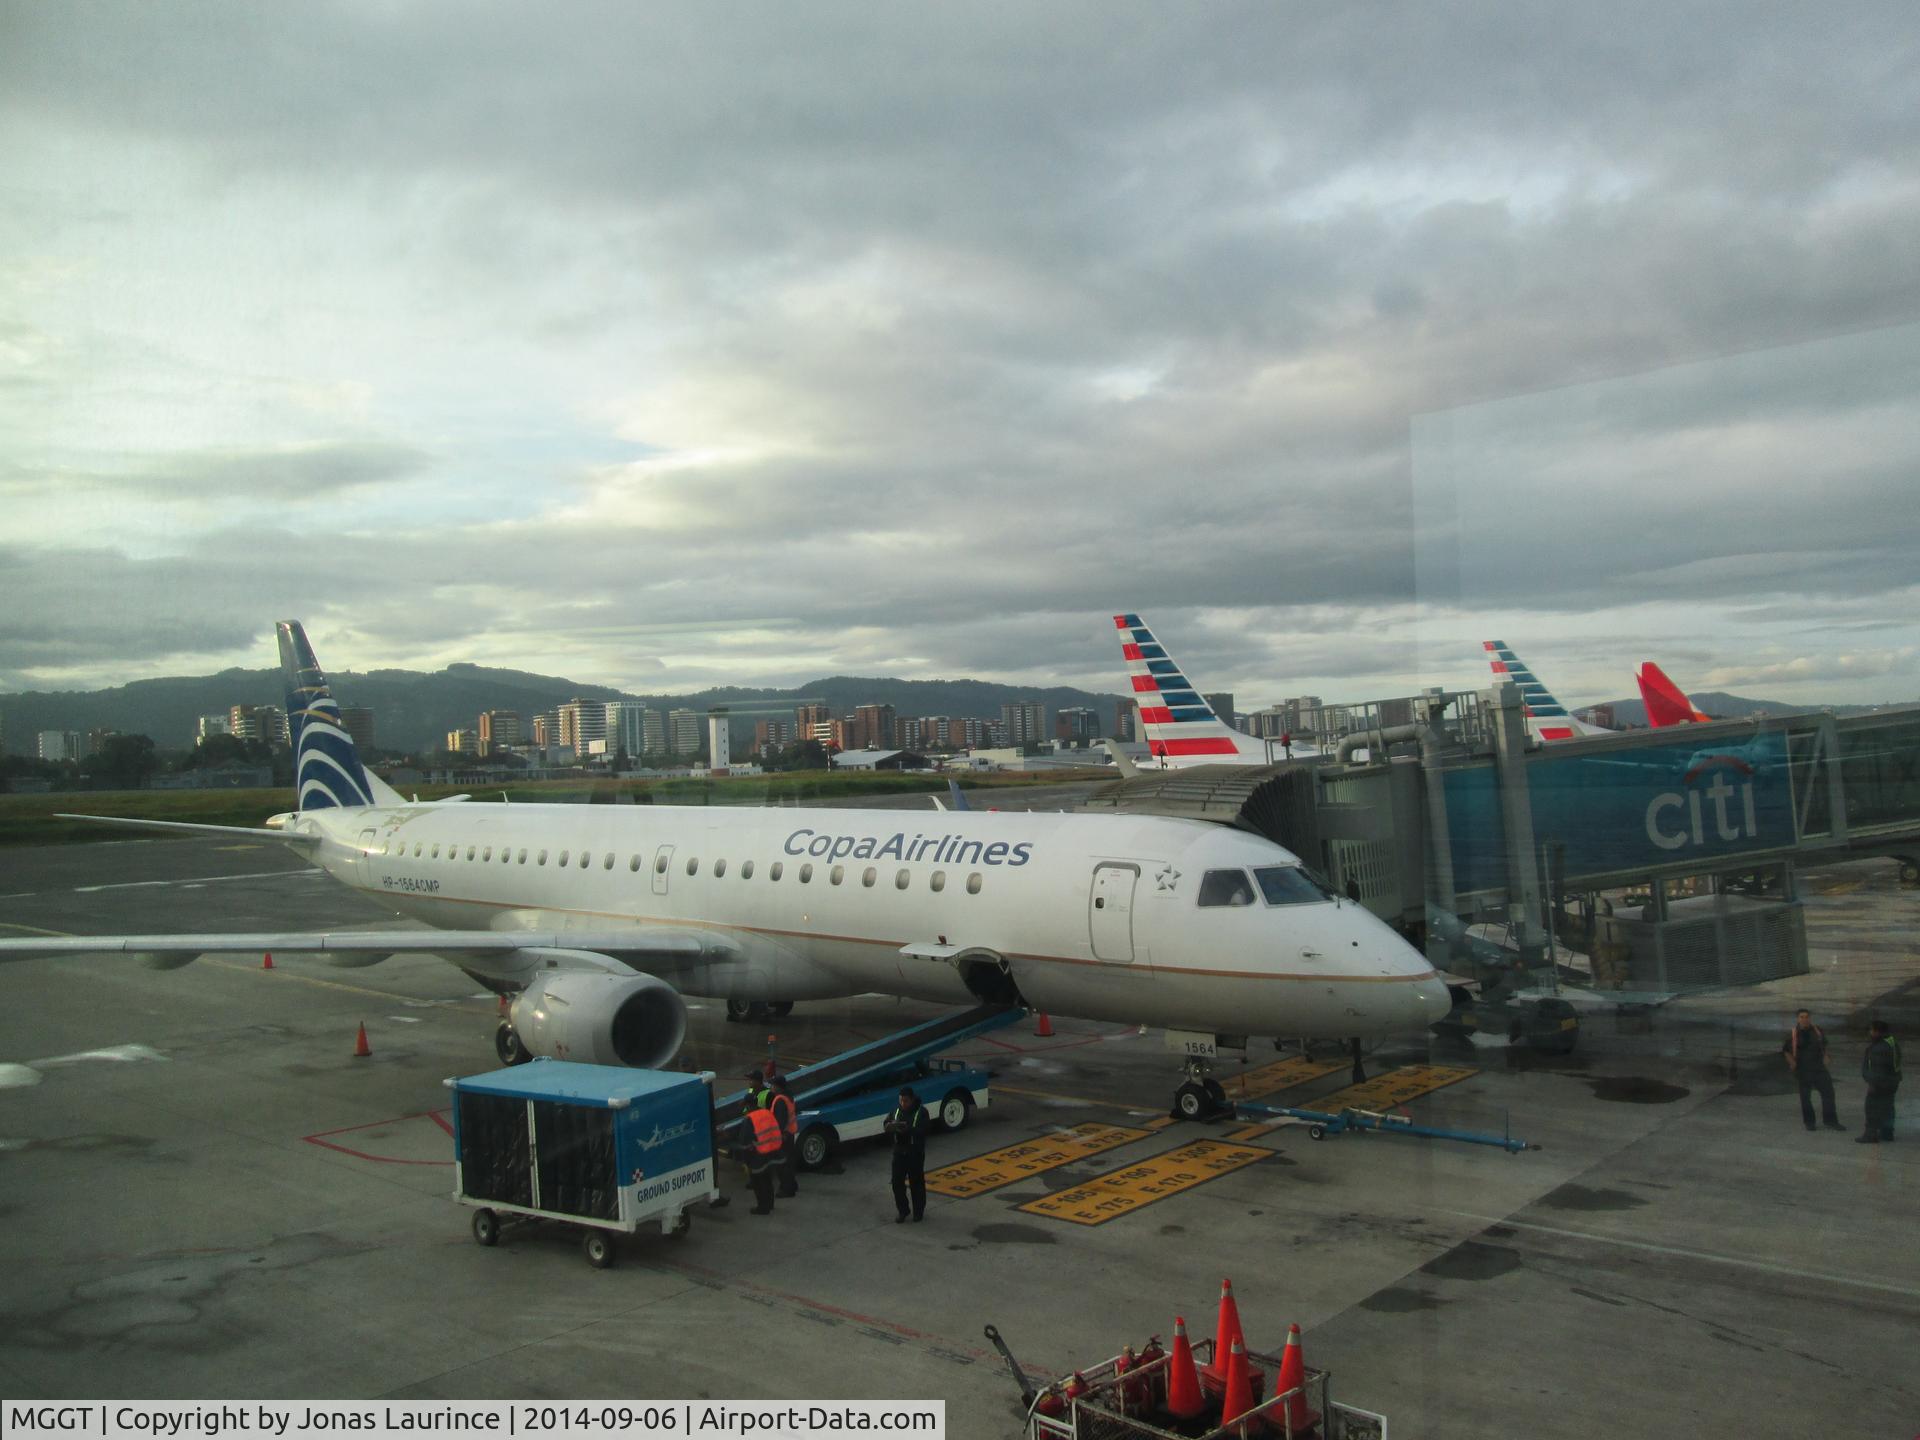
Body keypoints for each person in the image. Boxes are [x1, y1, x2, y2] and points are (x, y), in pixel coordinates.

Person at [1782, 1009, 1844, 1132]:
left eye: (1806, 1017)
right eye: (1801, 1017)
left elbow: (1824, 1045)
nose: (1804, 1019)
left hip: (1819, 1068)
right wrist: (1792, 1063)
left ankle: (1831, 1121)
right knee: (1805, 1097)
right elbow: (1785, 1050)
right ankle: (1809, 1122)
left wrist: (1826, 1056)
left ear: (1810, 1018)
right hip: (1803, 1070)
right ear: (1798, 1019)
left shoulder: (1817, 1031)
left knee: (1828, 1094)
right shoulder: (1793, 1034)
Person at [736, 1076, 785, 1213]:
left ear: (747, 1105)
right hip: (772, 1153)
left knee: (758, 1183)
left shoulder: (749, 1119)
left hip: (758, 1156)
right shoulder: (766, 1113)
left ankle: (762, 1208)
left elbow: (745, 1143)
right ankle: (769, 1204)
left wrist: (746, 1161)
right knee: (767, 1181)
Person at [884, 1085, 929, 1223]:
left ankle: (918, 1212)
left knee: (916, 1183)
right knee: (897, 1183)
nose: (903, 1104)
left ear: (912, 1099)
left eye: (906, 1101)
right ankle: (903, 1210)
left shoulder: (921, 1112)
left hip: (914, 1153)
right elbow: (887, 1122)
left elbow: (924, 1130)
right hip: (899, 1152)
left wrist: (908, 1129)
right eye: (901, 1101)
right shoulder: (896, 1111)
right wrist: (889, 1126)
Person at [1859, 1020, 1901, 1144]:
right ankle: (1887, 1132)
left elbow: (1877, 1069)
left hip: (1880, 1083)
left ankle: (1870, 1135)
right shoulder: (1892, 1042)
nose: (1869, 1032)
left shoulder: (1879, 1048)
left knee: (1872, 1108)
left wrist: (1872, 1084)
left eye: (1871, 1030)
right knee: (1888, 1107)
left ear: (1877, 1032)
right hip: (1893, 1081)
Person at [765, 1074, 800, 1197]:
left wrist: (776, 1136)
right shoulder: (788, 1096)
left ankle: (787, 1189)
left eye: (772, 1085)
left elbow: (780, 1121)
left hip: (783, 1136)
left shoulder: (780, 1100)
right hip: (790, 1133)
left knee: (782, 1163)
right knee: (789, 1161)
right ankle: (792, 1185)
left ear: (778, 1087)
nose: (771, 1087)